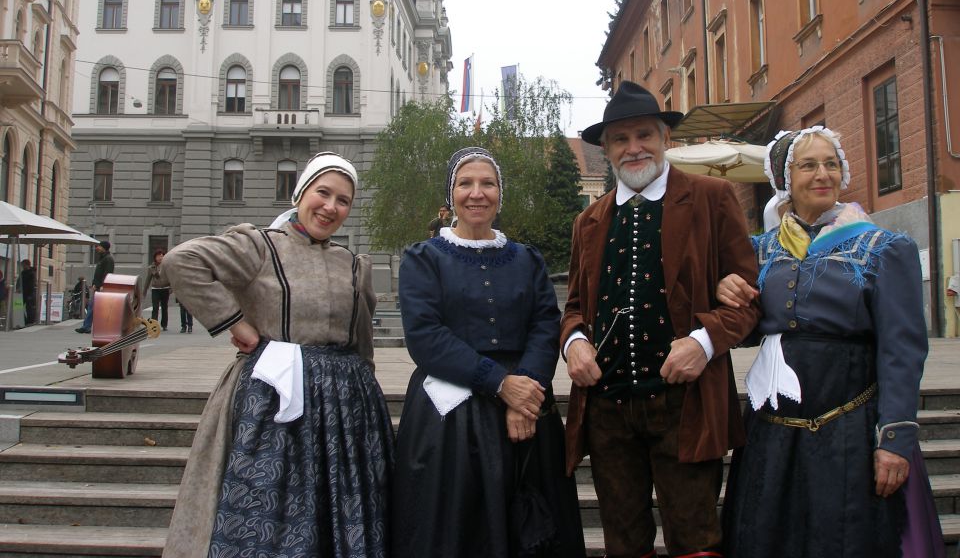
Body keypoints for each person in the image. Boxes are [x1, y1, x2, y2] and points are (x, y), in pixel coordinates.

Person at [716, 127, 942, 558]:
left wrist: (894, 440)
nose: (823, 174)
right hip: (774, 436)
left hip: (849, 431)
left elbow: (902, 350)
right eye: (808, 165)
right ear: (785, 180)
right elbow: (745, 330)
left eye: (831, 164)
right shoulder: (757, 252)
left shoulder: (883, 248)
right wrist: (725, 290)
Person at [561, 81, 760, 558]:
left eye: (644, 135)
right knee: (624, 543)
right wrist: (574, 344)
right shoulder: (588, 222)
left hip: (684, 407)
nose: (634, 148)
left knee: (695, 539)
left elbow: (749, 301)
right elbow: (573, 309)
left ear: (665, 139)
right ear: (606, 149)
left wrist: (704, 342)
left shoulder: (711, 198)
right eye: (621, 139)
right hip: (608, 411)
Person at [160, 152, 393, 558]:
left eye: (343, 200)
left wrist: (367, 414)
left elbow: (361, 347)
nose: (331, 207)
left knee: (339, 516)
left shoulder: (353, 265)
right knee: (263, 512)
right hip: (270, 402)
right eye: (323, 193)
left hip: (343, 412)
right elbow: (183, 262)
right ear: (300, 192)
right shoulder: (260, 246)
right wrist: (235, 323)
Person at [393, 146, 585, 558]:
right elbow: (425, 336)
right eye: (465, 183)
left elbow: (544, 324)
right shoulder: (422, 259)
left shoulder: (527, 259)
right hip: (452, 419)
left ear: (500, 193)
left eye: (488, 183)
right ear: (451, 194)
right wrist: (499, 384)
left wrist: (526, 392)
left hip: (529, 411)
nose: (476, 193)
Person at [76, 240, 114, 334]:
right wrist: (94, 284)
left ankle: (88, 326)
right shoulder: (102, 258)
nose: (97, 248)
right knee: (92, 307)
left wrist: (102, 285)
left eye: (99, 246)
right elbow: (98, 274)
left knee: (95, 307)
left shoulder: (108, 259)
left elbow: (107, 273)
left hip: (102, 287)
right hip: (98, 286)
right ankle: (87, 326)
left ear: (104, 248)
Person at [146, 249, 170, 331]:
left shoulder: (167, 266)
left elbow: (171, 278)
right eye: (158, 256)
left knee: (164, 307)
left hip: (165, 289)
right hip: (155, 289)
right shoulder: (151, 267)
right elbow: (148, 279)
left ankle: (164, 325)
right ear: (155, 257)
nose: (160, 258)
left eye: (162, 256)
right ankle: (154, 325)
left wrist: (171, 289)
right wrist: (144, 291)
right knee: (155, 307)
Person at [17, 259, 37, 325]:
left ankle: (30, 321)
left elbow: (32, 284)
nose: (22, 266)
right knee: (18, 307)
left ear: (26, 265)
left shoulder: (31, 273)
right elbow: (19, 281)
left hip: (29, 293)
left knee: (29, 308)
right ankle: (23, 320)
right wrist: (18, 288)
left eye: (23, 265)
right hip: (22, 293)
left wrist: (31, 294)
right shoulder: (23, 272)